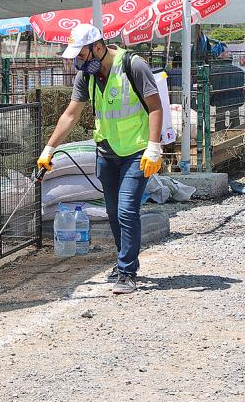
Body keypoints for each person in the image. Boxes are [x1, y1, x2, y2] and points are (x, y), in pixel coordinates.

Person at [37, 24, 163, 295]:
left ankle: (127, 272)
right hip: (106, 152)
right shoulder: (87, 76)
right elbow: (70, 115)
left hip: (136, 152)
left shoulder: (133, 66)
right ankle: (124, 262)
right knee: (114, 212)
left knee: (127, 210)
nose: (77, 61)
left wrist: (154, 147)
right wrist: (48, 150)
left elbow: (155, 107)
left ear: (97, 47)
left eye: (80, 55)